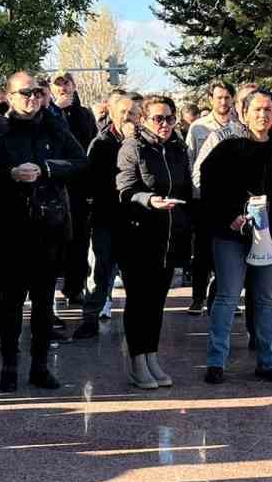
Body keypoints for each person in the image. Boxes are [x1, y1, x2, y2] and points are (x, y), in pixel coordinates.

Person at [0, 70, 86, 391]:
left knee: (43, 300)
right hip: (10, 226)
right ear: (10, 97)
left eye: (38, 93)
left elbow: (80, 162)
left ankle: (40, 366)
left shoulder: (54, 125)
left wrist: (48, 169)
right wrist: (10, 174)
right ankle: (9, 365)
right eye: (25, 93)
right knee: (9, 302)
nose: (32, 99)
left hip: (49, 224)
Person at [199, 86, 272, 384]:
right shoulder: (226, 149)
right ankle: (216, 361)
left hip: (271, 238)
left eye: (268, 110)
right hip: (231, 236)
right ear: (243, 113)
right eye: (256, 109)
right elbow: (209, 192)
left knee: (266, 301)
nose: (262, 115)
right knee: (228, 297)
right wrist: (230, 217)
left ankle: (268, 362)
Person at [116, 95, 193, 388]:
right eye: (158, 118)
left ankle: (151, 356)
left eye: (170, 118)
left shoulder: (177, 146)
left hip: (170, 236)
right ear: (144, 120)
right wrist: (150, 200)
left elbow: (186, 185)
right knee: (139, 301)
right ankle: (137, 360)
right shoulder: (132, 147)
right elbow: (125, 189)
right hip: (139, 235)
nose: (165, 124)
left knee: (157, 301)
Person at [72, 90, 137, 340]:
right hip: (106, 217)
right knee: (100, 271)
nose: (128, 117)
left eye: (133, 113)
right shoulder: (101, 143)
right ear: (112, 113)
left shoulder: (143, 140)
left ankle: (137, 320)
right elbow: (90, 181)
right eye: (123, 112)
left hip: (136, 219)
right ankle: (90, 318)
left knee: (134, 274)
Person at [185, 81, 238, 313]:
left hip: (231, 200)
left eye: (227, 97)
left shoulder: (239, 126)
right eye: (219, 98)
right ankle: (198, 296)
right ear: (211, 100)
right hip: (203, 198)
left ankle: (224, 297)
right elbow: (190, 161)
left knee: (227, 250)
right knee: (203, 251)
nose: (223, 102)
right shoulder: (198, 128)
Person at [48, 71, 98, 308]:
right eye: (58, 85)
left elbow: (89, 147)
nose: (63, 89)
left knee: (78, 240)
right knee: (56, 243)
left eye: (66, 84)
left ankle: (75, 287)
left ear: (74, 86)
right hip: (54, 184)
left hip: (78, 187)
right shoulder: (48, 112)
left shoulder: (84, 114)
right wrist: (55, 110)